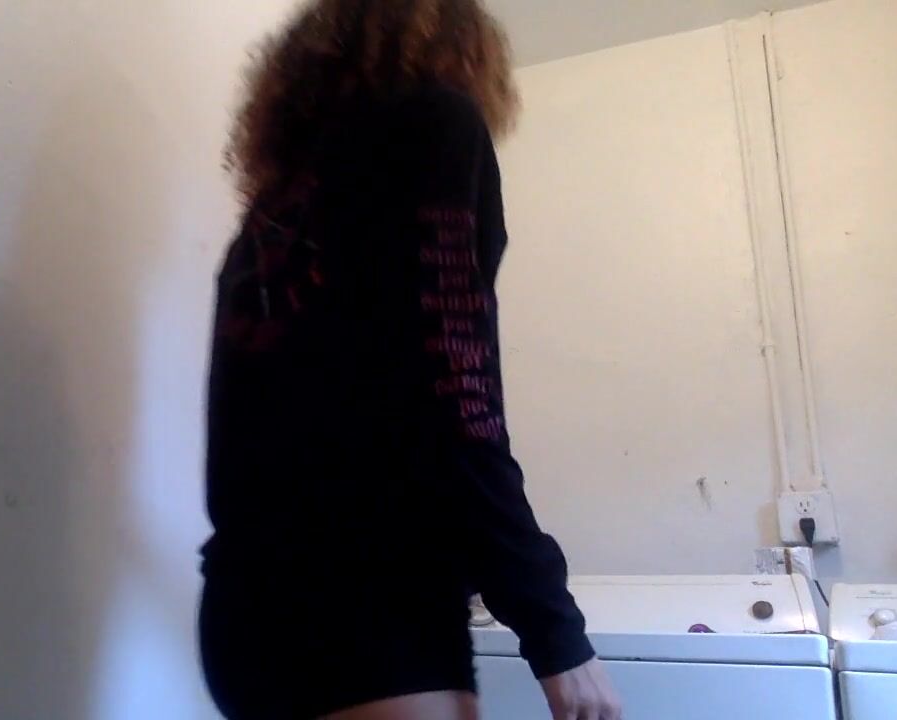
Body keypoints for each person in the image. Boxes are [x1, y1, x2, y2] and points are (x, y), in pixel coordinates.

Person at [198, 1, 623, 719]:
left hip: (241, 614)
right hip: (371, 608)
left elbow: (237, 439)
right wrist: (555, 632)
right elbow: (458, 396)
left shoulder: (272, 215)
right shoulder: (433, 125)